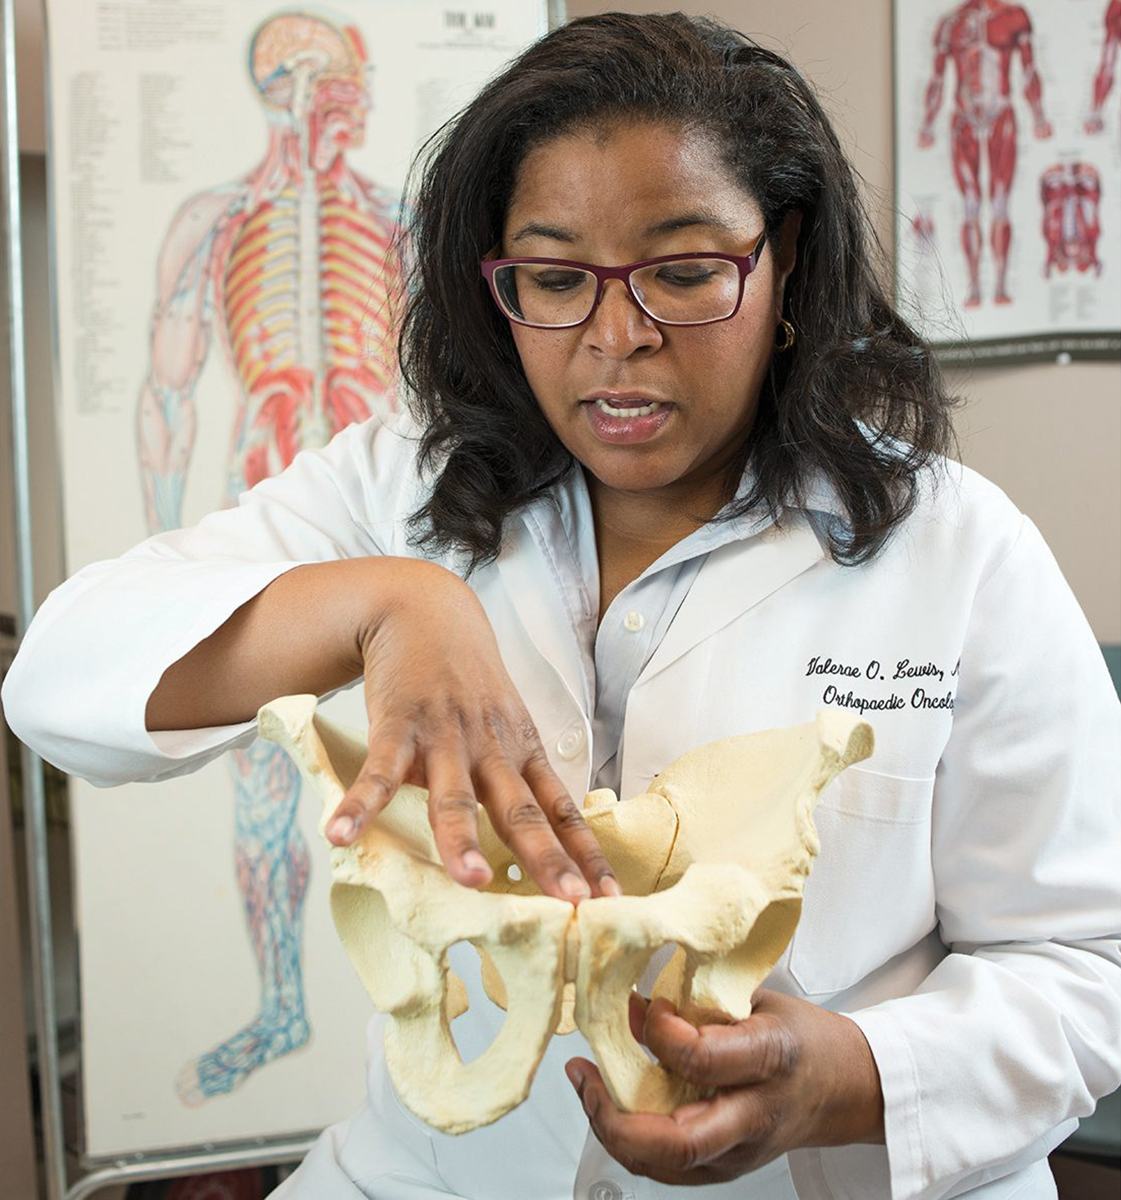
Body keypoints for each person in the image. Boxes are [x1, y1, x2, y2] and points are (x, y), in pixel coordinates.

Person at [4, 12, 1119, 1200]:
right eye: (552, 278)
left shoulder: (953, 551)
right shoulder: (406, 487)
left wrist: (845, 1077)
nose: (615, 337)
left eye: (684, 274)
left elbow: (1086, 966)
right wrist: (389, 603)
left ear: (783, 255)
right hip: (432, 1174)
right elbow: (60, 678)